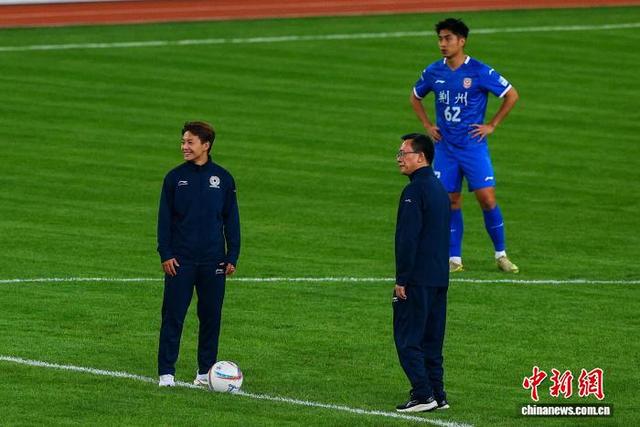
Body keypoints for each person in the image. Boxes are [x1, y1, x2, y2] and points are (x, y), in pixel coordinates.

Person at [410, 17, 520, 273]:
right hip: (446, 148)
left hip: (473, 147)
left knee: (487, 199)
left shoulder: (479, 71)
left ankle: (501, 255)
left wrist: (491, 125)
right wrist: (427, 125)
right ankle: (454, 259)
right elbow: (415, 97)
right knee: (450, 201)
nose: (442, 43)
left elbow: (511, 95)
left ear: (462, 41)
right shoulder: (433, 71)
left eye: (448, 38)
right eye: (440, 39)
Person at [156, 121, 240, 387]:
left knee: (211, 318)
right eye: (183, 142)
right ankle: (166, 373)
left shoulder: (223, 179)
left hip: (214, 260)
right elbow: (164, 221)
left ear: (206, 145)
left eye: (190, 142)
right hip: (180, 261)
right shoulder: (174, 178)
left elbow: (232, 220)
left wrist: (232, 255)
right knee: (173, 316)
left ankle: (205, 373)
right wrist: (166, 253)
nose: (184, 147)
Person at [393, 133, 450, 412]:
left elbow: (408, 239)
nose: (399, 159)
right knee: (432, 340)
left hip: (418, 279)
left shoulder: (414, 192)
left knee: (407, 339)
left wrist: (402, 279)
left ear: (421, 157)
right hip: (439, 277)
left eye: (403, 153)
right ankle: (438, 394)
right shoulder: (439, 188)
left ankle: (423, 395)